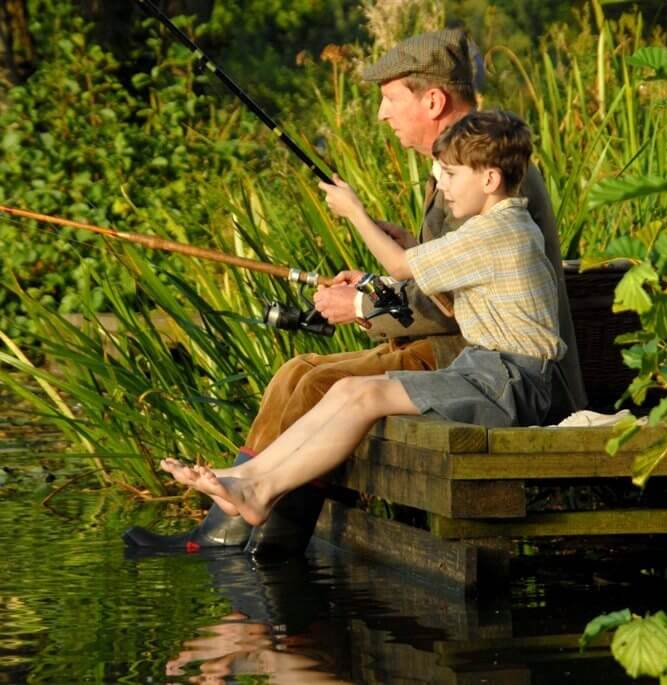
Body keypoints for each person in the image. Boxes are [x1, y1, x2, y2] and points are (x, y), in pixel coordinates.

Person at [123, 28, 586, 554]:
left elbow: (456, 299)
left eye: (390, 99)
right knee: (299, 371)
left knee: (319, 384)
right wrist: (380, 278)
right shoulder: (471, 170)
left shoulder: (486, 175)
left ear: (432, 100)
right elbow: (455, 273)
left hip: (482, 363)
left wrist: (364, 300)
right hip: (469, 358)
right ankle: (240, 506)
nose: (381, 115)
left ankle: (255, 536)